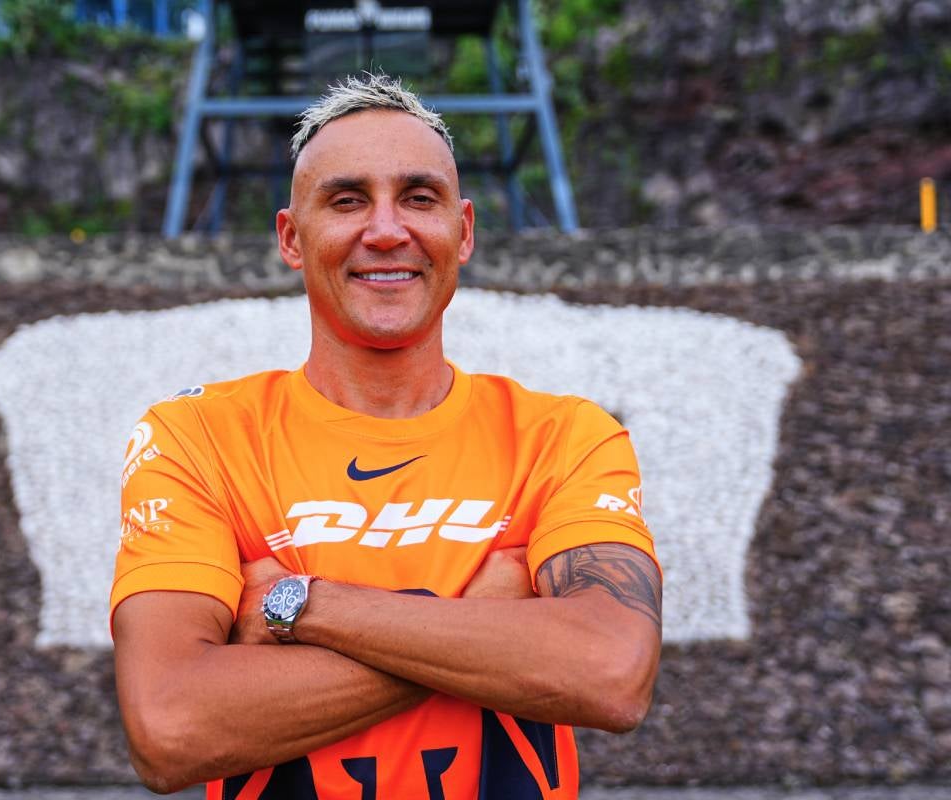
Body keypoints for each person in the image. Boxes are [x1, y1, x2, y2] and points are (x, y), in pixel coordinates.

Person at [111, 73, 662, 800]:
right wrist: (481, 623)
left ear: (463, 231)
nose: (386, 230)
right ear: (291, 238)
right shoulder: (196, 437)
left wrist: (301, 607)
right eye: (346, 200)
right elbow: (171, 727)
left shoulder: (565, 437)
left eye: (419, 198)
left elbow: (610, 671)